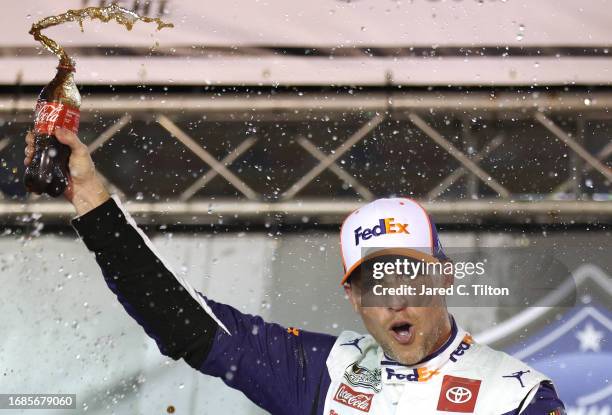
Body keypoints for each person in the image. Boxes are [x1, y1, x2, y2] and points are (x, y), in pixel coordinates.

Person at [24, 127, 566, 414]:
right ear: (353, 298)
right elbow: (186, 324)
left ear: (444, 278)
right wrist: (90, 196)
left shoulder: (513, 395)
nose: (396, 299)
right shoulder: (326, 370)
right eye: (376, 282)